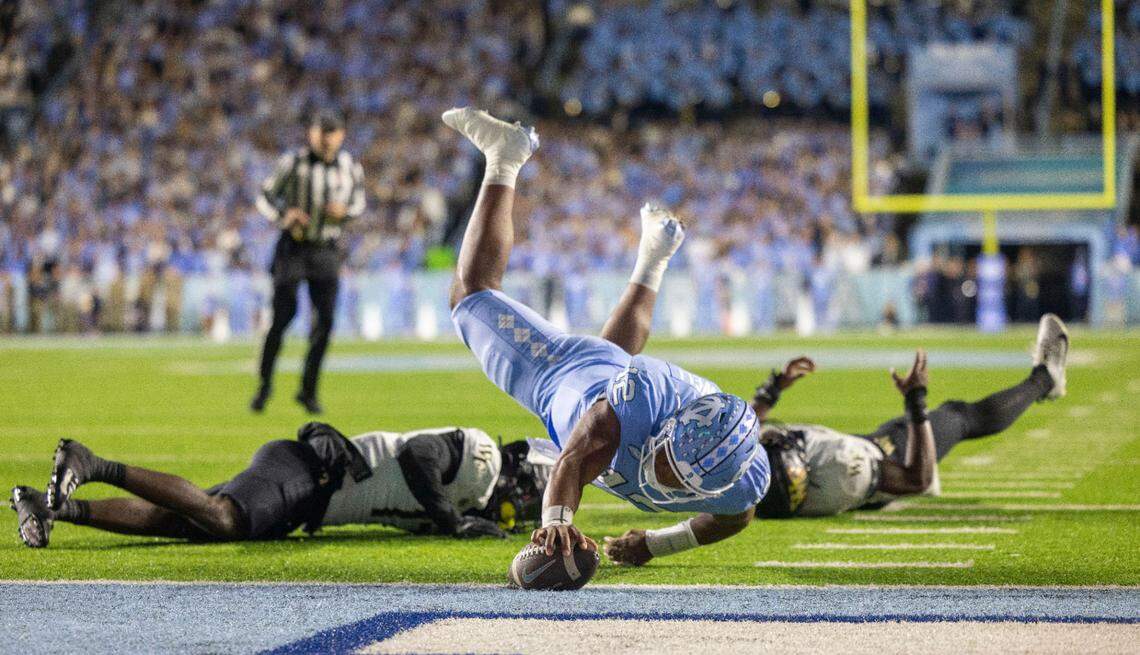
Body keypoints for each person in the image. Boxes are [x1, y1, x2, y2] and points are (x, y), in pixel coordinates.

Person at [441, 107, 769, 573]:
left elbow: (736, 516)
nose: (663, 475)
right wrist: (556, 520)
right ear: (671, 425)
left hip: (611, 378)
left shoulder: (741, 480)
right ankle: (505, 157)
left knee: (614, 357)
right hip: (564, 377)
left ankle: (655, 255)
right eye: (670, 460)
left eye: (680, 479)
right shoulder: (641, 401)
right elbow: (575, 456)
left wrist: (659, 544)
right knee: (469, 293)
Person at [10, 423, 554, 548]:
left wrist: (453, 521)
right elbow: (417, 456)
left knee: (194, 524)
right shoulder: (479, 454)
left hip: (309, 496)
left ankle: (55, 508)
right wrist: (450, 521)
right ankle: (92, 462)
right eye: (529, 492)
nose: (521, 505)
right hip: (307, 470)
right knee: (222, 517)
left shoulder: (477, 489)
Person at [745, 313, 1069, 519]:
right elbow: (917, 479)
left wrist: (772, 390)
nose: (769, 435)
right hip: (888, 459)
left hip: (863, 463)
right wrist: (916, 401)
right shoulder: (842, 470)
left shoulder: (749, 485)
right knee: (961, 416)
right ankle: (1045, 379)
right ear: (801, 464)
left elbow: (743, 435)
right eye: (774, 444)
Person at [251, 109, 366, 415]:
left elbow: (359, 203)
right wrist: (282, 216)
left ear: (341, 135)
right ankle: (264, 385)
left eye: (331, 132)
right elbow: (264, 196)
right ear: (311, 134)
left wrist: (345, 212)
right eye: (320, 131)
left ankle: (308, 390)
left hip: (326, 249)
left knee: (325, 323)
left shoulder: (350, 166)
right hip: (294, 247)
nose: (326, 138)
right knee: (282, 318)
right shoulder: (293, 163)